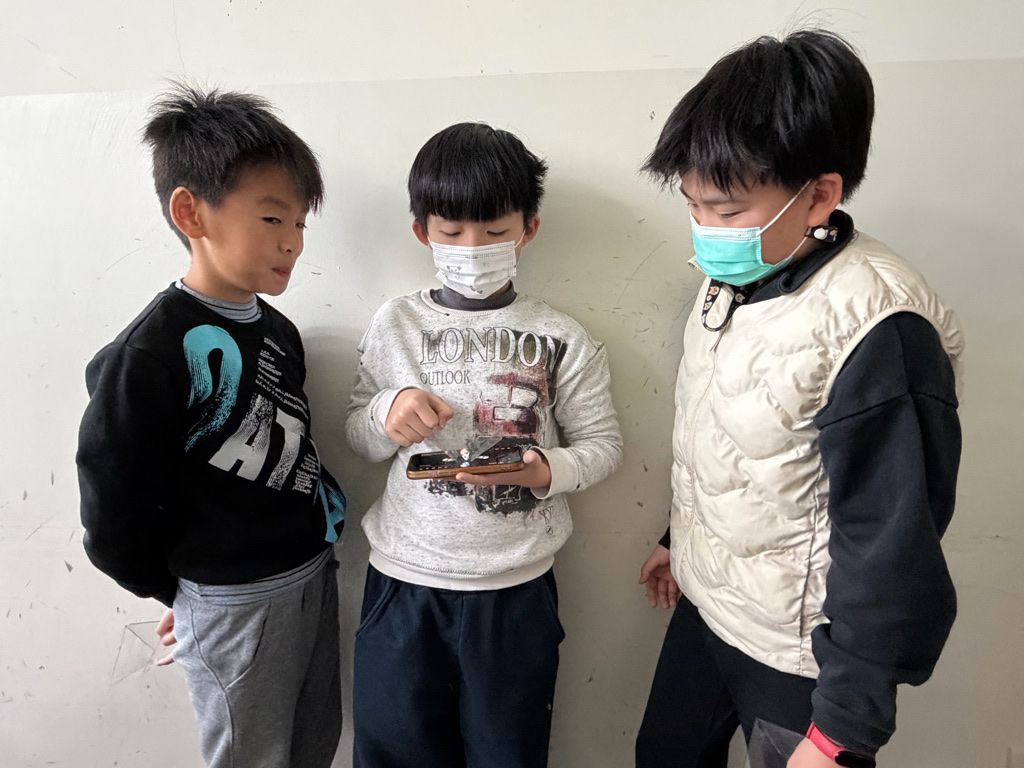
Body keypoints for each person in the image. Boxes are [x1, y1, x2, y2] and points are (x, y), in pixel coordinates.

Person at [634, 30, 964, 768]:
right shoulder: (732, 283)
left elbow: (891, 542)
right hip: (710, 605)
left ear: (819, 194)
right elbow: (731, 434)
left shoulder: (880, 329)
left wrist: (843, 729)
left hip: (800, 654)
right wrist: (678, 539)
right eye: (692, 206)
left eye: (726, 211)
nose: (705, 231)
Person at [77, 85, 346, 768]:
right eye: (272, 218)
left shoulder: (280, 330)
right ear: (190, 212)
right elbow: (113, 511)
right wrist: (188, 594)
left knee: (314, 744)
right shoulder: (147, 353)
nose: (292, 242)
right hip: (233, 601)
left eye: (300, 224)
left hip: (312, 572)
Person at [346, 122, 623, 768]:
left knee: (508, 755)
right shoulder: (396, 323)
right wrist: (388, 412)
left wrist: (543, 470)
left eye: (495, 231)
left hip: (516, 592)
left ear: (528, 228)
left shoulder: (561, 336)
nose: (473, 248)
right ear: (422, 232)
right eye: (451, 232)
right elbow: (359, 435)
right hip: (404, 584)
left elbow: (604, 446)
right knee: (394, 755)